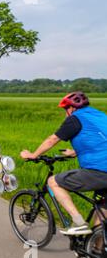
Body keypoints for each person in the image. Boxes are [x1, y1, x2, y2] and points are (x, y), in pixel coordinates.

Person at [20, 92, 107, 235]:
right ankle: (96, 254)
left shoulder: (74, 119)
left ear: (72, 108)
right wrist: (74, 152)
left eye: (65, 110)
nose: (66, 114)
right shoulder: (100, 116)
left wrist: (33, 155)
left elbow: (52, 140)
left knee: (53, 182)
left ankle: (79, 223)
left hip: (100, 170)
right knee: (103, 210)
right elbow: (100, 140)